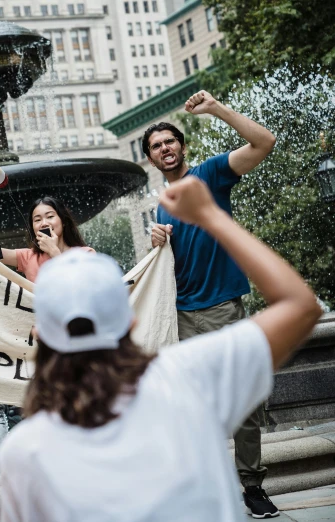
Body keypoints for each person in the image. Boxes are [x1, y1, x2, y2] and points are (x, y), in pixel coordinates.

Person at [0, 176, 321, 522]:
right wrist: (211, 215)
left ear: (39, 335)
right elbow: (301, 307)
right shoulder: (187, 378)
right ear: (131, 322)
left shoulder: (23, 452)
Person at [145, 90, 279, 517]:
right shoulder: (161, 210)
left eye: (169, 141)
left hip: (224, 309)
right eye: (155, 146)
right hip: (182, 319)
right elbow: (157, 279)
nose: (164, 149)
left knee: (246, 404)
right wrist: (155, 248)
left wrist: (218, 109)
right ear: (151, 159)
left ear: (182, 146)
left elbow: (264, 143)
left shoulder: (211, 175)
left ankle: (252, 486)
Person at [0, 179, 94, 282]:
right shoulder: (27, 257)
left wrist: (54, 252)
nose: (44, 223)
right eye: (37, 220)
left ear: (64, 221)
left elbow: (84, 287)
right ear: (33, 228)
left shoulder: (85, 254)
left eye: (50, 216)